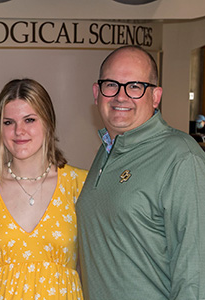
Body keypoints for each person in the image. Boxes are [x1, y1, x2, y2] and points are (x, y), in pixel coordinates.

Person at [76, 45, 205, 300]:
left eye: (135, 86)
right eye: (111, 84)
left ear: (155, 96)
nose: (120, 96)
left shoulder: (181, 158)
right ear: (96, 92)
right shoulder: (107, 151)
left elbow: (196, 272)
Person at [0, 78, 88, 299]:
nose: (18, 131)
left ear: (48, 123)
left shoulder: (80, 185)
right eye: (8, 122)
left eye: (29, 120)